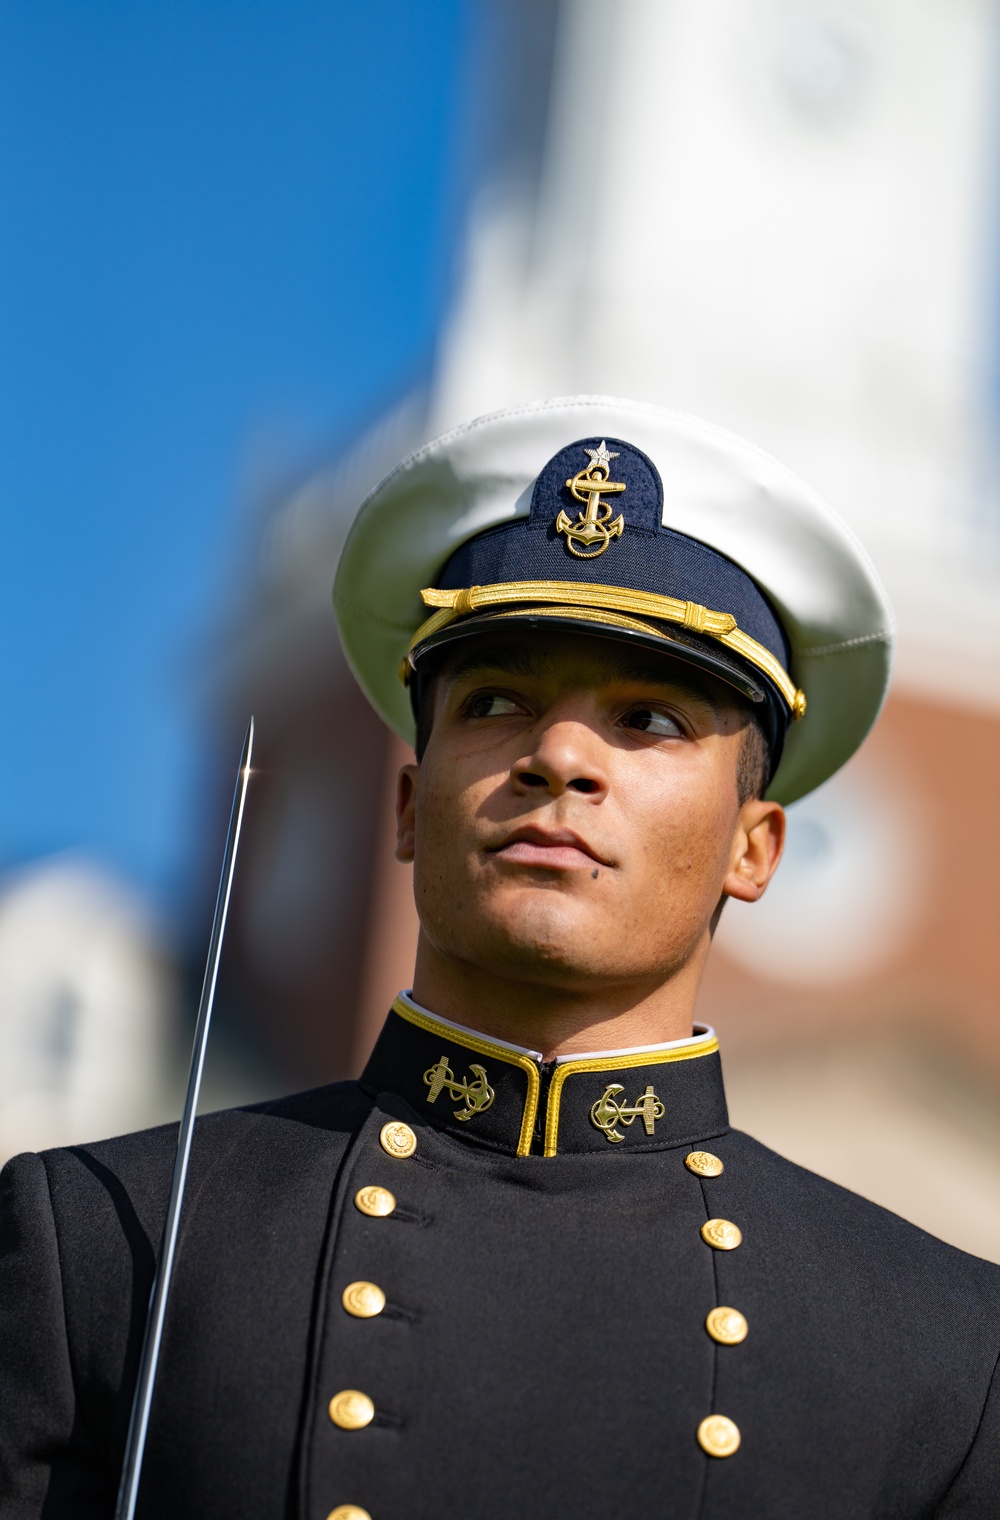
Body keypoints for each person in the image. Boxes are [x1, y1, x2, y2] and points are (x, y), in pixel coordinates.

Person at [1, 397, 998, 1520]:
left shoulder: (948, 1356)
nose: (560, 753)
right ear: (410, 805)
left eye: (652, 719)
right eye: (495, 700)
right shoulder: (105, 1235)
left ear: (754, 846)